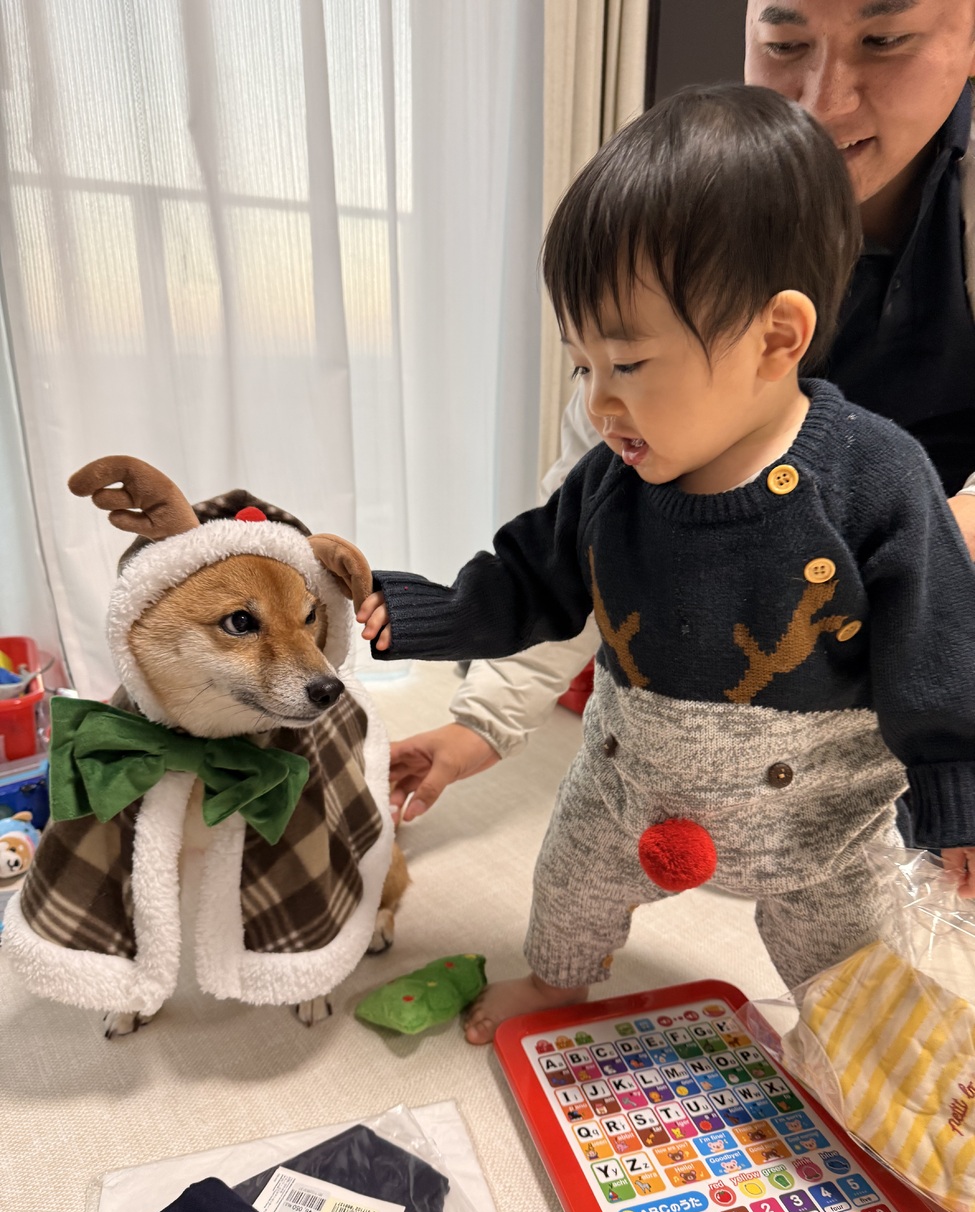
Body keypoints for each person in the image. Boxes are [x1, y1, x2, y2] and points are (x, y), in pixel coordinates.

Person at [354, 84, 975, 1043]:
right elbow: (531, 578)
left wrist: (957, 802)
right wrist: (426, 613)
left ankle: (856, 1036)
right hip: (626, 786)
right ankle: (558, 979)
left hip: (814, 824)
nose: (598, 404)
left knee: (856, 989)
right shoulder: (612, 477)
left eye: (629, 365)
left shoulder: (876, 479)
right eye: (582, 366)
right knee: (569, 885)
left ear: (775, 338)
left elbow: (936, 655)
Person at [388, 0, 975, 827]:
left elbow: (931, 616)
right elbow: (580, 530)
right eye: (784, 45)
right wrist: (482, 721)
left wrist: (916, 540)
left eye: (883, 41)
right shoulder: (687, 218)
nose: (823, 100)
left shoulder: (885, 482)